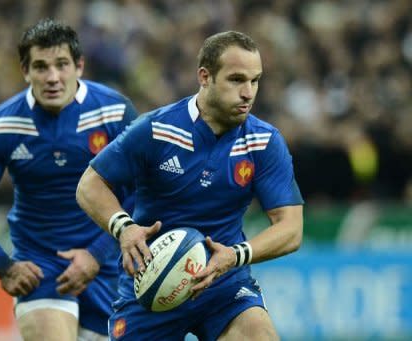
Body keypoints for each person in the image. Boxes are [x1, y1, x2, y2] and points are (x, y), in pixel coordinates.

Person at [76, 31, 304, 341]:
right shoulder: (156, 129)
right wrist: (124, 228)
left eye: (255, 80)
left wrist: (235, 256)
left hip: (223, 283)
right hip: (152, 284)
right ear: (204, 76)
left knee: (258, 335)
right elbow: (90, 184)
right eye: (236, 80)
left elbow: (291, 228)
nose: (248, 92)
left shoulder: (263, 142)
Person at [0, 18, 138, 341]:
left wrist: (97, 254)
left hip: (106, 266)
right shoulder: (3, 125)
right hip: (39, 266)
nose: (52, 77)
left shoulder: (114, 112)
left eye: (62, 65)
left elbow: (139, 190)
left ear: (79, 66)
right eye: (40, 66)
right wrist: (3, 266)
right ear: (25, 71)